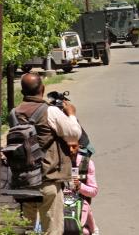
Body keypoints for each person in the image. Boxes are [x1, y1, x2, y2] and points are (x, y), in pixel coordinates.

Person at [16, 73, 82, 235]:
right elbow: (74, 134)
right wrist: (71, 114)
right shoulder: (50, 111)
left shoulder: (14, 113)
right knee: (52, 230)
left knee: (25, 229)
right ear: (43, 89)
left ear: (22, 91)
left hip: (23, 181)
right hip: (48, 180)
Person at [67, 140, 99, 235]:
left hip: (80, 208)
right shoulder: (58, 162)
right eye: (67, 146)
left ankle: (94, 230)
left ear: (79, 146)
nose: (70, 150)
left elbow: (94, 191)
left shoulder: (86, 163)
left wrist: (80, 186)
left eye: (73, 146)